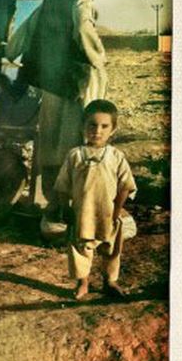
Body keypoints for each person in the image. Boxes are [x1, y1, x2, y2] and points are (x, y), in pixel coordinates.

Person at [7, 0, 110, 203]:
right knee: (77, 144)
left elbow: (30, 25)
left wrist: (9, 52)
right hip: (76, 84)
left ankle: (54, 203)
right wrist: (100, 61)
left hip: (51, 83)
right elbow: (84, 30)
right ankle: (73, 205)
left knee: (50, 145)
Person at [51, 99, 136, 300]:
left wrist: (116, 211)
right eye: (92, 125)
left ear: (113, 130)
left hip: (108, 214)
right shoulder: (75, 155)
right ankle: (83, 283)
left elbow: (126, 186)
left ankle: (110, 281)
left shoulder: (116, 156)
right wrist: (65, 209)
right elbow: (62, 186)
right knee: (81, 250)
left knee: (111, 249)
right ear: (83, 126)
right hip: (83, 214)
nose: (97, 131)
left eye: (104, 126)